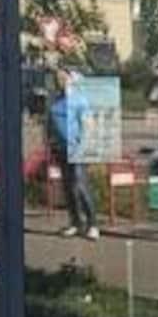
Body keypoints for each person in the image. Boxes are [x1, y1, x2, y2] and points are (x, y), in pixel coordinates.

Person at [49, 68, 100, 240]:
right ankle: (76, 222)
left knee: (80, 185)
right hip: (61, 149)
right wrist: (49, 142)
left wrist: (83, 146)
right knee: (68, 187)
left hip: (77, 149)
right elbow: (50, 123)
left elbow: (89, 125)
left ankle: (92, 224)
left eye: (64, 78)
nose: (60, 82)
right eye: (58, 79)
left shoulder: (79, 100)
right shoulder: (55, 100)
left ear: (71, 80)